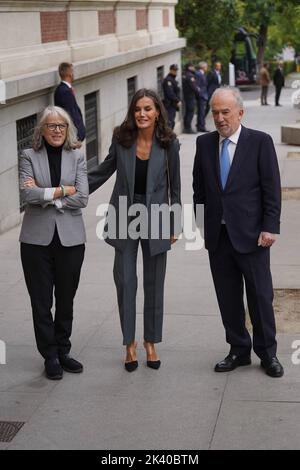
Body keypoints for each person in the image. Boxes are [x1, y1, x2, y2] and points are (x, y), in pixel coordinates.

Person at [192, 87, 284, 378]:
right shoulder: (204, 143)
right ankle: (238, 350)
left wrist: (270, 227)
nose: (219, 118)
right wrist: (203, 227)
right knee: (228, 297)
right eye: (215, 112)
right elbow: (199, 190)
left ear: (240, 112)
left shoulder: (260, 142)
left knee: (260, 297)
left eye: (225, 112)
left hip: (254, 236)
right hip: (219, 239)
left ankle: (267, 353)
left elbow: (272, 189)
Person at [88, 89, 181, 372]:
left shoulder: (169, 143)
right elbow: (103, 171)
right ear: (133, 112)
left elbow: (175, 187)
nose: (142, 113)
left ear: (157, 113)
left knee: (154, 283)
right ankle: (130, 344)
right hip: (123, 215)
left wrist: (174, 224)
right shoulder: (122, 139)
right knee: (125, 281)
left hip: (156, 217)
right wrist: (71, 188)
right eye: (138, 109)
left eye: (148, 109)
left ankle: (150, 341)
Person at [19, 105, 89, 380]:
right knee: (40, 300)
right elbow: (26, 195)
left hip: (71, 240)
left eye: (61, 126)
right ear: (42, 130)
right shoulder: (28, 156)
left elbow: (82, 197)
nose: (57, 130)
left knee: (66, 299)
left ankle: (64, 350)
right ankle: (49, 355)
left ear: (68, 129)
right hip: (36, 241)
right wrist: (62, 192)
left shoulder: (78, 157)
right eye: (51, 126)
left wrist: (46, 195)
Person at [54, 62, 86, 146]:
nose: (73, 74)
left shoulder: (64, 90)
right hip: (71, 139)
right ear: (70, 74)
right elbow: (70, 116)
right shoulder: (65, 91)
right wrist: (75, 138)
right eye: (73, 72)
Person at [182, 62, 200, 133]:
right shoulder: (190, 76)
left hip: (187, 96)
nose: (194, 68)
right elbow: (194, 87)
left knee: (188, 112)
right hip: (190, 96)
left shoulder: (184, 74)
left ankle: (187, 127)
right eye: (192, 67)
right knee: (190, 112)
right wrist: (198, 90)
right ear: (189, 67)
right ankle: (188, 128)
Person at [162, 64, 181, 129]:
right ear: (170, 70)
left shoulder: (173, 79)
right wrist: (177, 100)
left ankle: (169, 136)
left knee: (171, 121)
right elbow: (170, 93)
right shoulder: (168, 80)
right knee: (170, 122)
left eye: (176, 70)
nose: (175, 72)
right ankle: (168, 137)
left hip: (173, 104)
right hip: (169, 104)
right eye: (174, 70)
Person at [195, 61, 209, 132]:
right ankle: (201, 126)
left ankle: (201, 125)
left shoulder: (202, 74)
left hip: (204, 95)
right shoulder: (198, 74)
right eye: (206, 67)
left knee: (202, 112)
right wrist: (201, 95)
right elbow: (197, 86)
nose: (207, 68)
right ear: (203, 67)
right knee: (201, 112)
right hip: (201, 96)